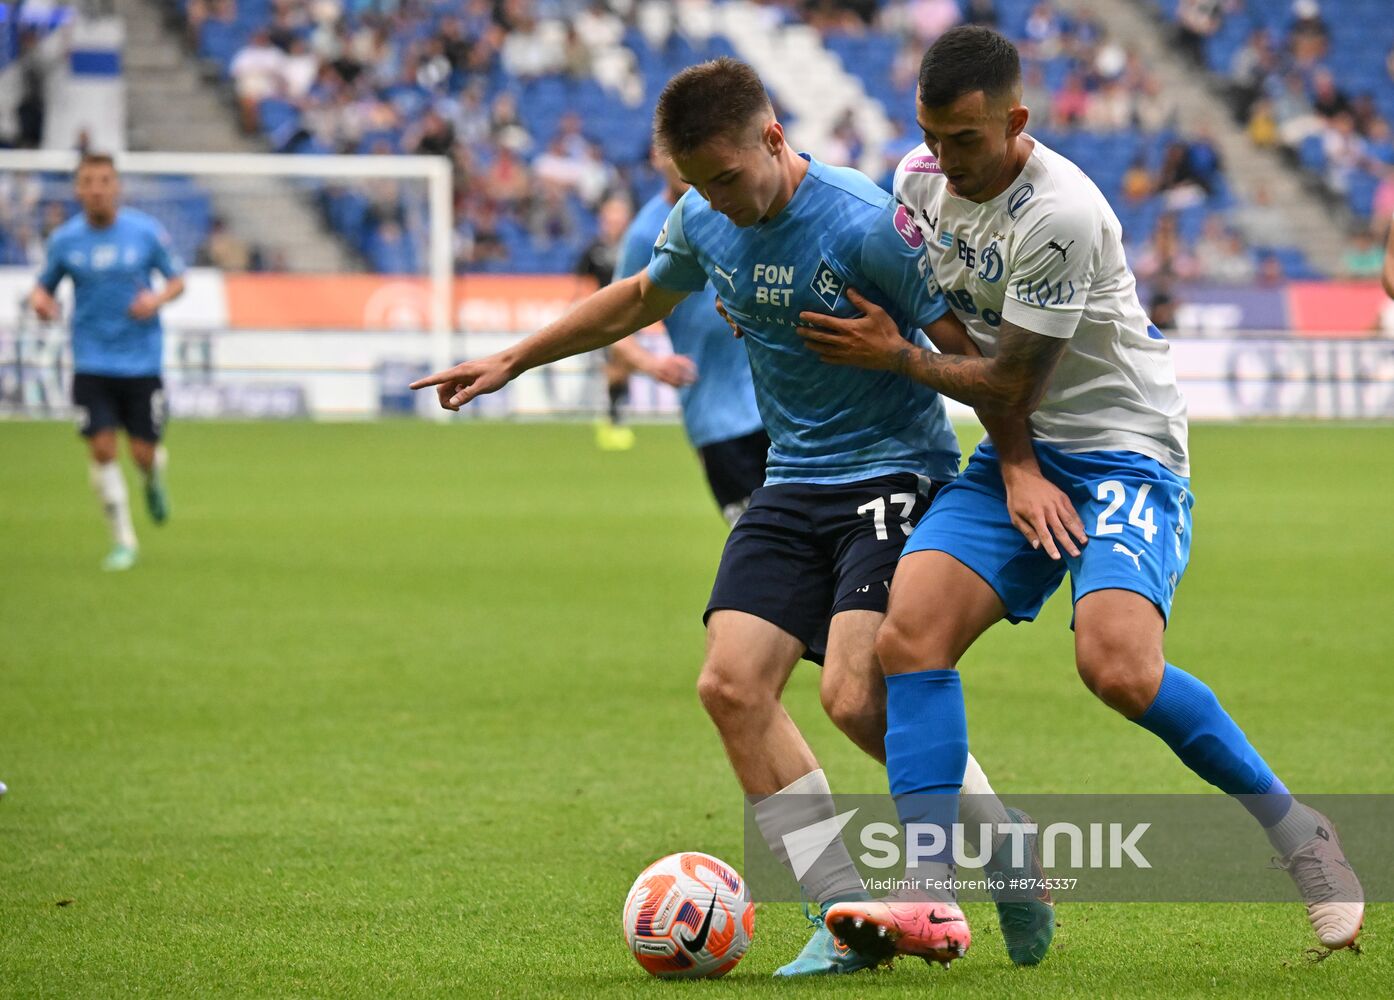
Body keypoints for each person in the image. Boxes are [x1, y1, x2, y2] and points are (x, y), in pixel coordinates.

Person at [413, 58, 1076, 974]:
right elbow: (644, 296)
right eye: (696, 186)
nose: (715, 204)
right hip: (792, 478)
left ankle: (1008, 858)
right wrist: (514, 359)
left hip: (892, 470)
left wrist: (1016, 465)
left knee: (853, 694)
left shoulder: (862, 222)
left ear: (774, 138)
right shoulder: (700, 217)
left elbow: (970, 355)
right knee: (730, 686)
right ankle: (846, 915)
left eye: (726, 179)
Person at [803, 26, 1362, 964]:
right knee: (910, 637)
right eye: (930, 138)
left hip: (1127, 454)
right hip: (1025, 445)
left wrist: (895, 357)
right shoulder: (918, 183)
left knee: (1118, 668)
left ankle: (1300, 833)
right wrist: (1017, 467)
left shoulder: (1063, 212)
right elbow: (980, 358)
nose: (944, 161)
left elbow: (1006, 378)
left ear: (1017, 121)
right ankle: (929, 897)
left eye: (965, 142)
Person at [30, 153, 184, 571]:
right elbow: (42, 289)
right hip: (90, 361)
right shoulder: (65, 240)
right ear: (77, 189)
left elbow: (177, 280)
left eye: (104, 180)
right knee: (101, 448)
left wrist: (155, 300)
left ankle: (152, 479)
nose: (96, 189)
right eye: (87, 181)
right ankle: (123, 541)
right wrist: (41, 303)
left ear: (117, 187)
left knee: (142, 454)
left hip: (141, 362)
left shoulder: (145, 233)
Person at [608, 149, 767, 524]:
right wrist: (651, 364)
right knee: (756, 534)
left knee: (802, 534)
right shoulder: (647, 231)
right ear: (656, 158)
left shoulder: (736, 202)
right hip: (714, 413)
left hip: (773, 400)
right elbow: (616, 318)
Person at [573, 195, 637, 450]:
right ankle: (613, 419)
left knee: (623, 367)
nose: (614, 222)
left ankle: (614, 416)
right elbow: (581, 282)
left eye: (618, 216)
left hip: (632, 315)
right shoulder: (594, 249)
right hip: (605, 317)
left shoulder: (635, 245)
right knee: (615, 366)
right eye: (610, 216)